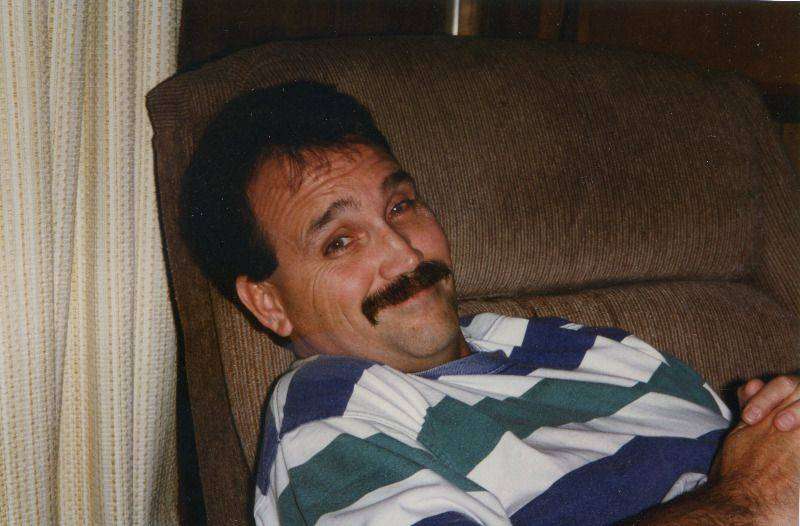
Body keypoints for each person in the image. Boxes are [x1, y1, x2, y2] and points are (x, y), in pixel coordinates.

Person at [180, 81, 800, 525]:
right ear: (269, 304)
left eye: (401, 206)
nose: (405, 253)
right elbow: (754, 493)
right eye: (340, 241)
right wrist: (749, 501)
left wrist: (775, 422)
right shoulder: (331, 413)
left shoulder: (590, 349)